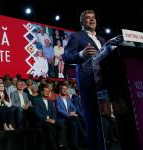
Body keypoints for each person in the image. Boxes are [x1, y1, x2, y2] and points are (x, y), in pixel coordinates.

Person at [62, 10, 105, 150]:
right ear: (82, 22)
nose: (92, 20)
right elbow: (66, 57)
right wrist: (82, 53)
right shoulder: (76, 37)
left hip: (103, 83)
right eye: (87, 18)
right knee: (92, 119)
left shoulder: (102, 39)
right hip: (88, 82)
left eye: (93, 18)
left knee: (103, 119)